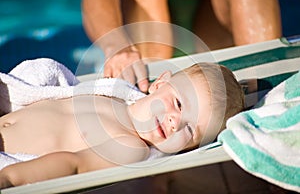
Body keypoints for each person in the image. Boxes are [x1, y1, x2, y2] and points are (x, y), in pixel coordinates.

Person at [0, 62, 244, 188]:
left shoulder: (131, 146)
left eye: (190, 130)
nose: (175, 122)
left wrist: (10, 179)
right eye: (179, 104)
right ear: (160, 84)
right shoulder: (115, 93)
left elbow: (75, 165)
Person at [81, 0, 282, 92]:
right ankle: (149, 93)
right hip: (149, 37)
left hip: (214, 27)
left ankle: (266, 86)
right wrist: (118, 49)